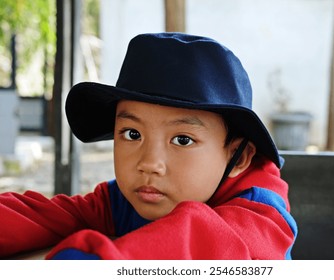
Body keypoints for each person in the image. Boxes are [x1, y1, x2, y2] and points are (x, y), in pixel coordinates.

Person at [0, 32, 297, 259]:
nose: (149, 163)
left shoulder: (261, 216)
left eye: (182, 139)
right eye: (131, 134)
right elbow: (47, 217)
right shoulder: (122, 201)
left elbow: (205, 243)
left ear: (239, 156)